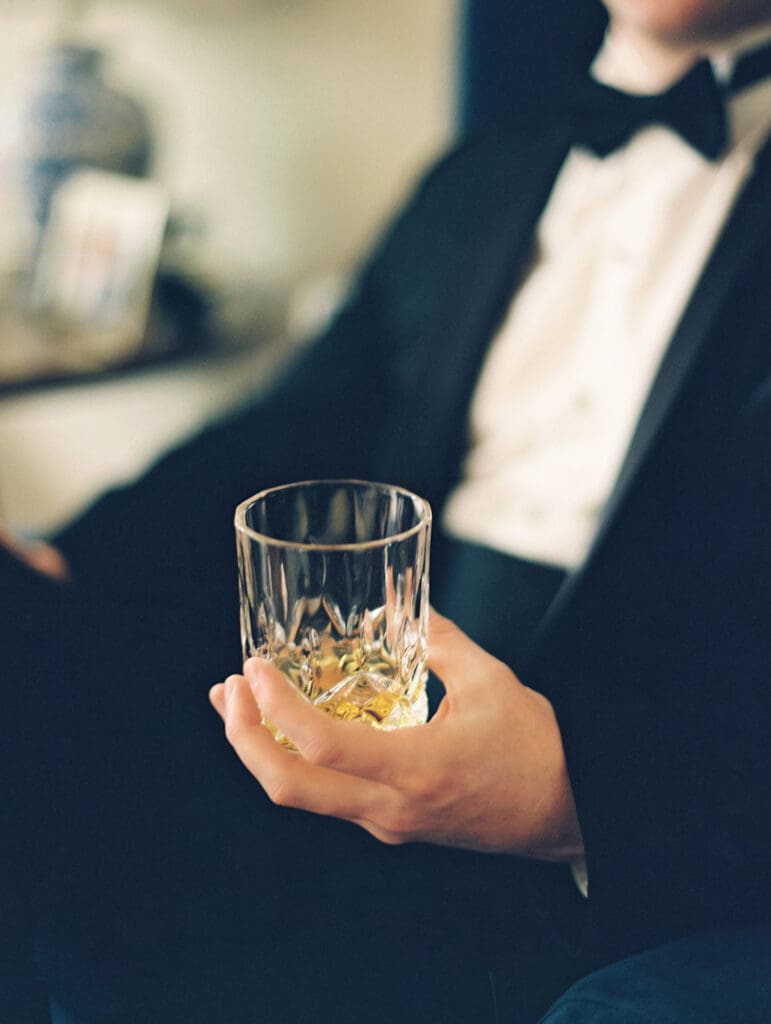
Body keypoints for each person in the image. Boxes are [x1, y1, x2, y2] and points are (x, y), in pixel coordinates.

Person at [3, 0, 771, 1021]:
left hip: (632, 820)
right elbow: (295, 427)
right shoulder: (484, 168)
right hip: (349, 712)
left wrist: (570, 796)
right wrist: (67, 556)